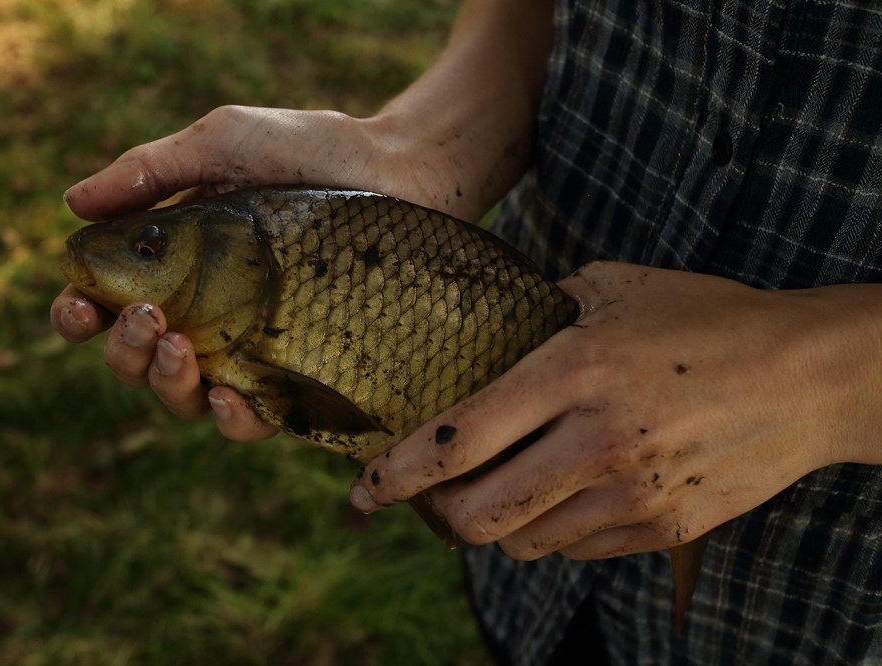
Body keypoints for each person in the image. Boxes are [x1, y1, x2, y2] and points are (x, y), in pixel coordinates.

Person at [50, 1, 882, 662]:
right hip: (530, 503)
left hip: (832, 591)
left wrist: (824, 379)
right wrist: (432, 146)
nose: (139, 256)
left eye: (154, 246)